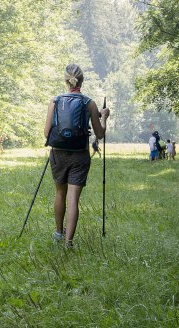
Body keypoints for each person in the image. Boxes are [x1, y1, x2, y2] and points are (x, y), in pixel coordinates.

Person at [44, 64, 109, 247]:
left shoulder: (55, 100)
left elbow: (46, 132)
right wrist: (104, 116)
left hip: (57, 153)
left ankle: (58, 232)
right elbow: (100, 133)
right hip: (80, 155)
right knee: (73, 198)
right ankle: (68, 242)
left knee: (59, 192)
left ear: (66, 80)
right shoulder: (89, 103)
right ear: (82, 80)